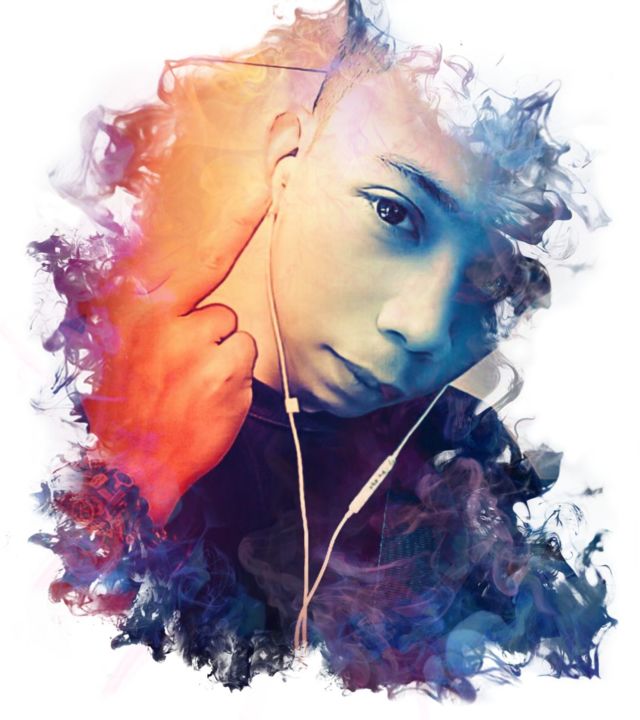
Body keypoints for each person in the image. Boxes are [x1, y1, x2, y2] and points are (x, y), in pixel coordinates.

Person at [30, 0, 613, 700]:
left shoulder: (476, 470)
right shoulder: (61, 378)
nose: (424, 328)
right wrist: (129, 474)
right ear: (287, 160)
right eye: (393, 213)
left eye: (492, 280)